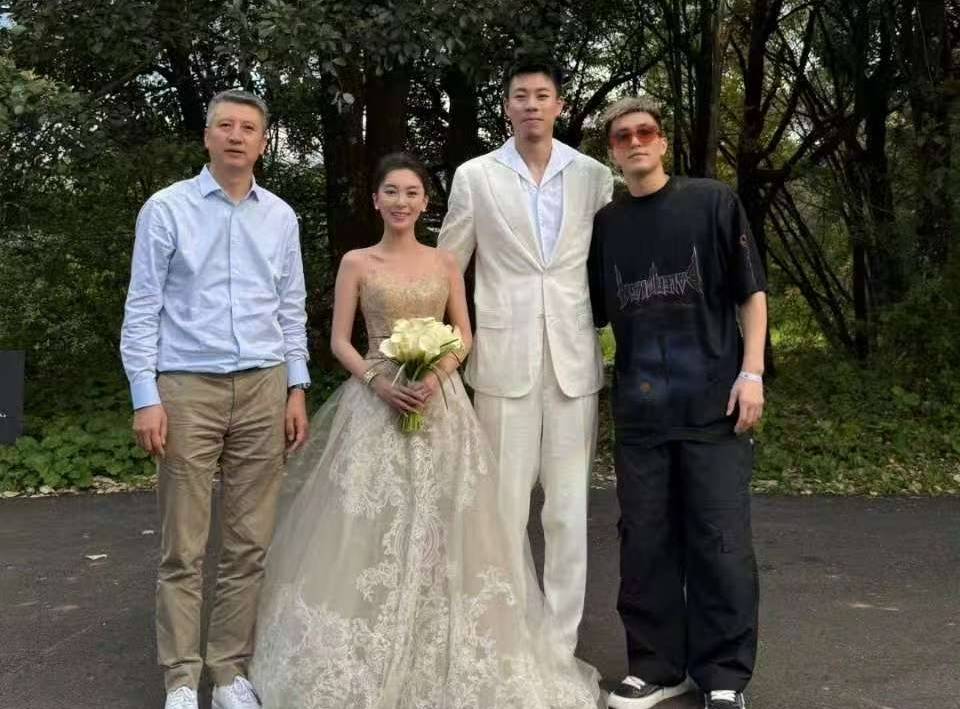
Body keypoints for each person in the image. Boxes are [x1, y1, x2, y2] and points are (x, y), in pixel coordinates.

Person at [249, 153, 602, 709]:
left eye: (411, 192)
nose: (401, 202)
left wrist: (435, 376)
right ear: (376, 200)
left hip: (439, 404)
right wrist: (378, 382)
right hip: (375, 402)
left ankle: (441, 639)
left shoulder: (444, 262)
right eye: (390, 191)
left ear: (424, 202)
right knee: (369, 524)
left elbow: (463, 333)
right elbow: (340, 340)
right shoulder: (356, 262)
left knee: (446, 524)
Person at [120, 89, 310, 709]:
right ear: (206, 137)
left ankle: (228, 672)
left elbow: (291, 307)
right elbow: (142, 306)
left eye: (248, 128)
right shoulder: (166, 209)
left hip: (263, 385)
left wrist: (297, 387)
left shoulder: (280, 216)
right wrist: (145, 395)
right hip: (186, 389)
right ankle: (181, 678)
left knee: (249, 544)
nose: (235, 136)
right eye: (224, 125)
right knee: (183, 546)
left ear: (263, 142)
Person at [588, 96, 767, 709]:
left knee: (720, 541)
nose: (636, 141)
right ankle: (658, 666)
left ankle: (724, 674)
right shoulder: (608, 226)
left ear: (663, 141)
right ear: (612, 153)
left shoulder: (712, 202)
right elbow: (588, 312)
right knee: (645, 542)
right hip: (641, 416)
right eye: (623, 136)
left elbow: (752, 292)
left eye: (646, 132)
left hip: (714, 405)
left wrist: (752, 373)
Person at [437, 60, 613, 651]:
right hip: (501, 360)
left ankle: (558, 646)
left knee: (566, 513)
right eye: (520, 95)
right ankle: (505, 638)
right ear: (507, 105)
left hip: (573, 361)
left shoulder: (592, 176)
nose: (531, 104)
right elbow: (448, 268)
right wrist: (439, 348)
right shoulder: (476, 176)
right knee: (503, 511)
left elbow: (609, 261)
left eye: (542, 95)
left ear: (559, 105)